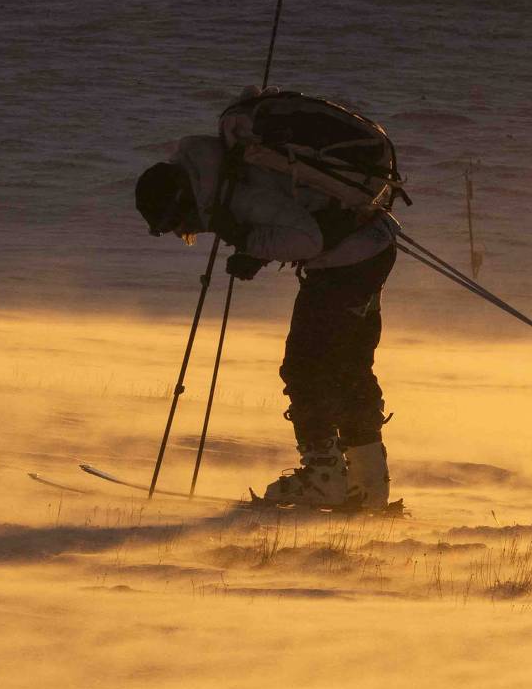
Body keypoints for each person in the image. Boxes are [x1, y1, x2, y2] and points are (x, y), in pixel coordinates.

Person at [134, 115, 396, 511]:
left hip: (348, 262)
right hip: (372, 248)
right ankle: (369, 481)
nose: (184, 231)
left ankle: (324, 476)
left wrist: (246, 239)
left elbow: (307, 239)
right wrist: (255, 252)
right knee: (349, 366)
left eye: (177, 223)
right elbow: (296, 212)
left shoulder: (234, 191)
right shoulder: (228, 169)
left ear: (183, 199)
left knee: (305, 366)